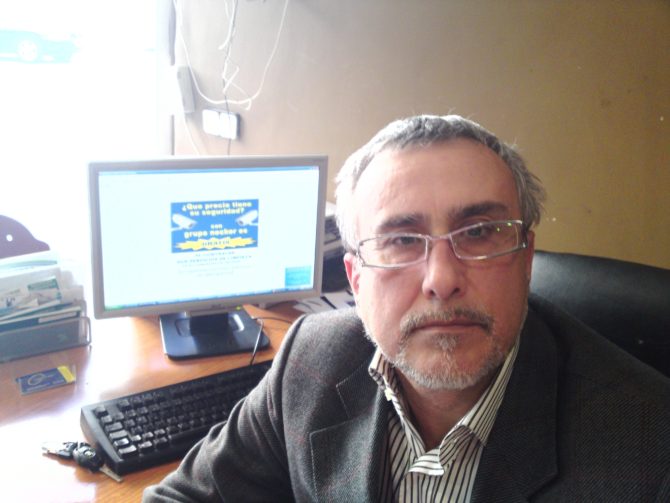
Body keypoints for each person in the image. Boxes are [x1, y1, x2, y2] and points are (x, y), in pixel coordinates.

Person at [144, 115, 670, 502]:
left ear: (526, 259)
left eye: (480, 233)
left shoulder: (651, 451)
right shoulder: (310, 357)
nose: (441, 279)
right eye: (400, 240)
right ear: (355, 278)